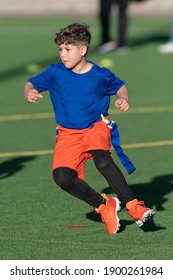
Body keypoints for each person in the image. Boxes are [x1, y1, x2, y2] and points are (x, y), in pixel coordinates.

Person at [24, 23, 155, 234]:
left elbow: (120, 85)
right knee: (62, 178)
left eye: (68, 50)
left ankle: (134, 207)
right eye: (60, 50)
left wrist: (123, 97)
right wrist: (29, 92)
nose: (63, 55)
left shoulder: (100, 75)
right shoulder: (55, 73)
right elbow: (31, 83)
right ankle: (104, 205)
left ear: (83, 50)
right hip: (68, 134)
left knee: (102, 160)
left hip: (95, 126)